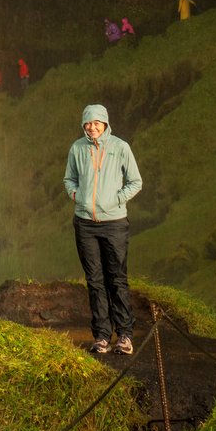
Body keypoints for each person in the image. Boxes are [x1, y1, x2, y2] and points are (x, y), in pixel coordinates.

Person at [64, 104, 142, 355]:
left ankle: (125, 335)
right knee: (95, 281)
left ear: (106, 124)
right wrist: (77, 196)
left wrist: (115, 200)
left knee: (116, 279)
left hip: (115, 223)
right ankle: (101, 336)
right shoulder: (77, 148)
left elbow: (135, 182)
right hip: (85, 223)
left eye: (97, 122)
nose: (92, 127)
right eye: (88, 122)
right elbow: (69, 178)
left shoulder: (120, 148)